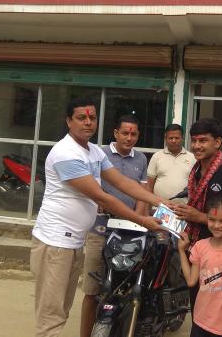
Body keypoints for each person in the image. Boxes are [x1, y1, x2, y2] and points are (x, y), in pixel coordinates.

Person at [30, 98, 165, 337]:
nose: (88, 122)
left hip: (72, 241)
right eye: (81, 118)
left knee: (62, 308)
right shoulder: (65, 153)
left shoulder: (93, 151)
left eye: (92, 117)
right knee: (51, 315)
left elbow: (122, 182)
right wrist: (142, 221)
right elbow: (102, 196)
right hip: (55, 242)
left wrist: (160, 202)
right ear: (69, 121)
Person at [80, 114, 147, 337]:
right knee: (92, 289)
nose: (129, 138)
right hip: (101, 229)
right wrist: (98, 201)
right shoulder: (100, 154)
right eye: (125, 133)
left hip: (129, 231)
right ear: (116, 133)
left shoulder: (141, 159)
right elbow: (90, 187)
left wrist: (138, 220)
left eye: (134, 134)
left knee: (126, 282)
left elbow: (142, 194)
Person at [171, 117, 222, 309]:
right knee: (197, 303)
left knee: (216, 308)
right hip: (195, 248)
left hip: (220, 256)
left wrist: (198, 217)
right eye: (194, 141)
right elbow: (194, 208)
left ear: (217, 142)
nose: (197, 146)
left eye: (203, 140)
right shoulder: (195, 171)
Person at [178, 196, 222, 337]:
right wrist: (182, 250)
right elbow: (191, 281)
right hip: (200, 320)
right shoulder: (200, 246)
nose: (216, 225)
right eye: (212, 220)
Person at [147, 124, 196, 202]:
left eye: (177, 138)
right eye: (170, 138)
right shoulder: (157, 156)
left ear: (182, 138)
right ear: (165, 139)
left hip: (184, 207)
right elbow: (149, 185)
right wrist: (147, 206)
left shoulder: (193, 158)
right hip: (159, 207)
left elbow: (196, 184)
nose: (173, 141)